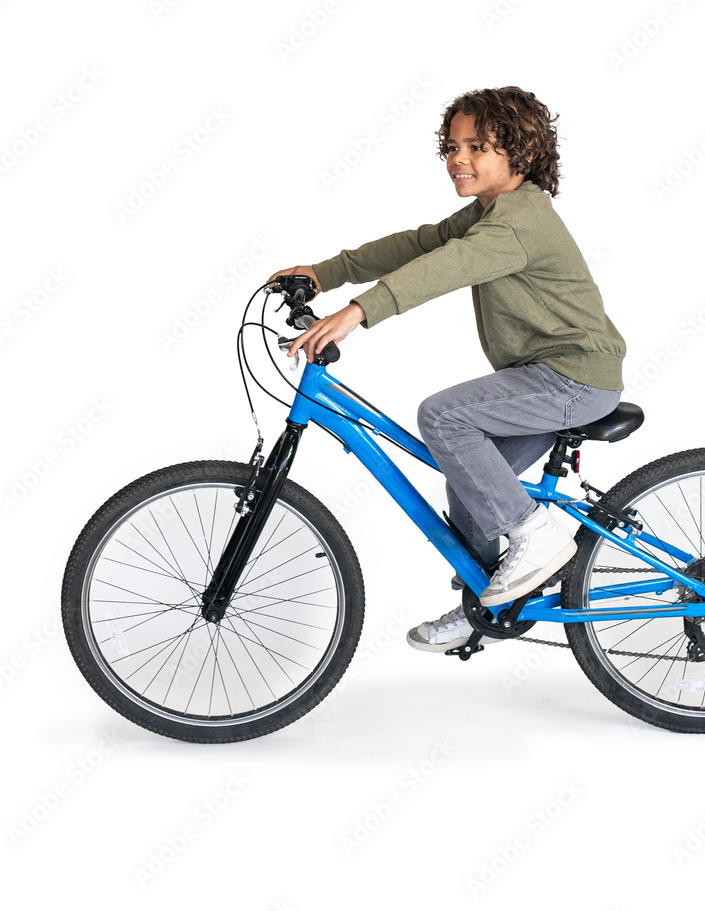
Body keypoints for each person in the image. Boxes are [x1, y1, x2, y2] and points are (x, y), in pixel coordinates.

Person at [269, 86, 625, 653]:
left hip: (572, 378)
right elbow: (421, 245)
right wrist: (325, 272)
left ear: (521, 153)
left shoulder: (517, 223)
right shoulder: (491, 211)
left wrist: (358, 312)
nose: (459, 159)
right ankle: (487, 598)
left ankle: (537, 539)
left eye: (477, 147)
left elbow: (446, 267)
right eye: (453, 147)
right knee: (468, 480)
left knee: (443, 417)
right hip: (544, 376)